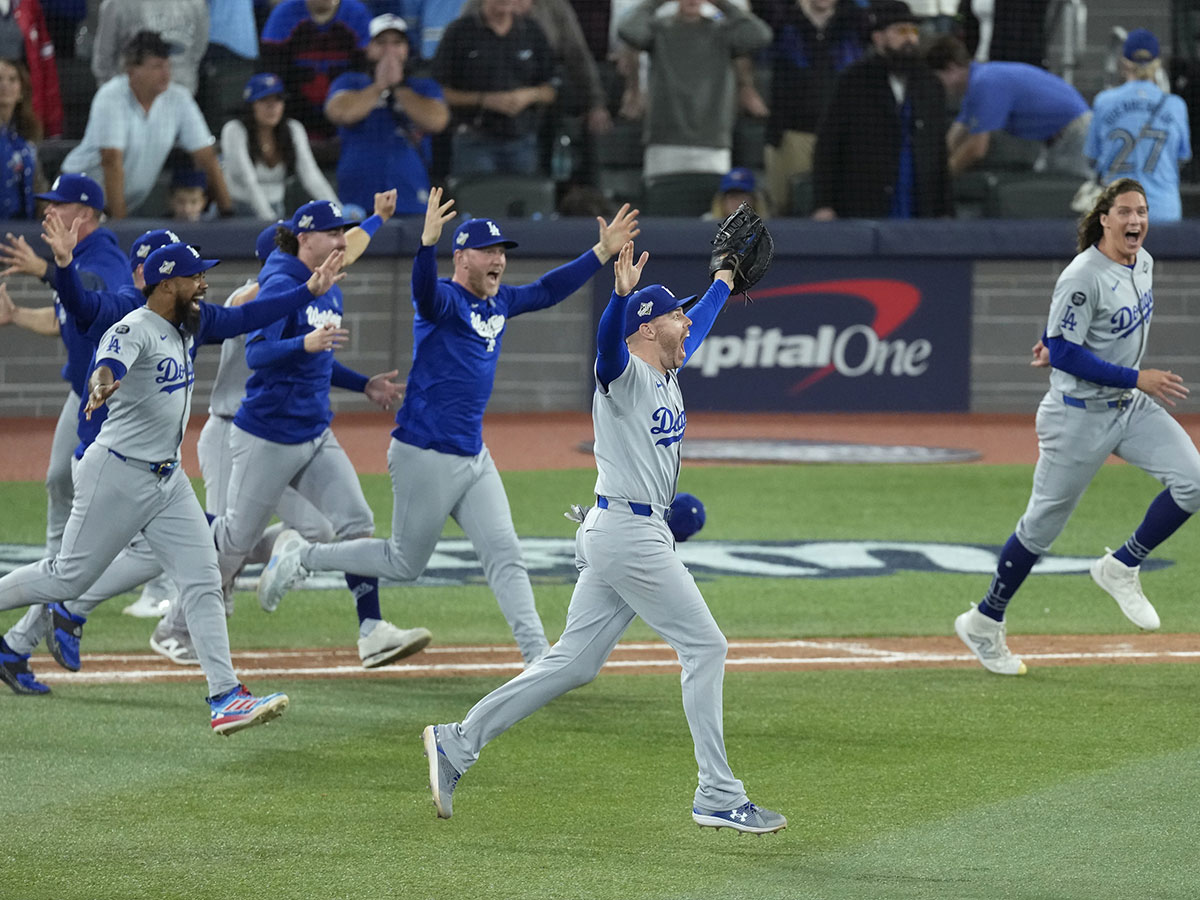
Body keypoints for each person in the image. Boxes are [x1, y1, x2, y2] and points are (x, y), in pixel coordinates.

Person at [417, 238, 786, 834]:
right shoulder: (625, 375)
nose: (687, 321)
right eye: (675, 314)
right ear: (645, 328)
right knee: (706, 648)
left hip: (624, 531)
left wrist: (720, 280)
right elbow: (607, 347)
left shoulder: (666, 370)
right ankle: (717, 793)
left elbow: (703, 317)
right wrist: (618, 299)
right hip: (627, 534)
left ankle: (458, 742)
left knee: (573, 663)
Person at [256, 189, 641, 666]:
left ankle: (538, 658)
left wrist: (601, 252)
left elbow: (547, 290)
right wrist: (424, 245)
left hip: (472, 455)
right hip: (426, 452)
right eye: (489, 251)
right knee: (404, 562)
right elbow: (422, 290)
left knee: (505, 555)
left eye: (503, 252)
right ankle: (303, 557)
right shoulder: (444, 301)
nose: (499, 259)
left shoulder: (498, 304)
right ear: (461, 258)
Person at [0, 236, 344, 734]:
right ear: (167, 284)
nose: (203, 283)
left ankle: (225, 696)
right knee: (66, 578)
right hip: (116, 473)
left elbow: (249, 318)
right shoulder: (133, 326)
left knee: (203, 574)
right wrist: (101, 384)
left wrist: (308, 290)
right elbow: (108, 364)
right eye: (194, 276)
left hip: (167, 478)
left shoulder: (193, 322)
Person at [955, 178, 1200, 676]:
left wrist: (1054, 347)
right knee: (1039, 530)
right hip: (1077, 418)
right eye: (1125, 212)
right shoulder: (1083, 273)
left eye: (1142, 211)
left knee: (1194, 480)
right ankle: (985, 619)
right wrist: (1130, 374)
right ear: (1104, 218)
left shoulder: (1144, 262)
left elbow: (1060, 338)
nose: (1136, 220)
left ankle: (1122, 565)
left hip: (1127, 407)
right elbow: (1065, 348)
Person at [209, 198, 425, 670]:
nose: (342, 240)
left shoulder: (329, 285)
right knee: (233, 543)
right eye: (332, 233)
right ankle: (183, 617)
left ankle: (372, 631)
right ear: (305, 238)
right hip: (266, 435)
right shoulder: (280, 281)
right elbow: (259, 355)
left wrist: (363, 384)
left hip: (313, 433)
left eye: (342, 232)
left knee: (356, 522)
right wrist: (302, 342)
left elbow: (320, 359)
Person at [0, 173, 129, 561]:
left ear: (86, 212)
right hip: (82, 393)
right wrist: (16, 314)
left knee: (126, 489)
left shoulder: (104, 256)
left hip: (113, 397)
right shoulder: (76, 256)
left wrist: (46, 270)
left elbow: (89, 295)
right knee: (60, 479)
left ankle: (157, 583)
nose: (49, 209)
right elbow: (64, 319)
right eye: (49, 202)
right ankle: (55, 574)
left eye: (60, 203)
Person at [59, 30, 235, 219]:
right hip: (75, 198)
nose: (166, 73)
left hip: (117, 206)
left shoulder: (178, 98)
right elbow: (111, 161)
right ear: (131, 70)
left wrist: (228, 212)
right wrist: (120, 227)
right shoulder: (111, 96)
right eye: (157, 66)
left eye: (168, 65)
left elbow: (207, 156)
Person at [812, 0, 950, 219]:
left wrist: (945, 210)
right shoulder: (853, 81)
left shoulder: (929, 83)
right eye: (901, 31)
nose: (911, 39)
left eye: (914, 31)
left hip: (918, 200)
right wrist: (824, 203)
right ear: (878, 37)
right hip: (865, 200)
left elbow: (938, 152)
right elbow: (828, 145)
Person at [616, 0, 772, 181]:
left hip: (712, 141)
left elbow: (761, 35)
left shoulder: (723, 32)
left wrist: (721, 3)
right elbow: (628, 30)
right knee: (662, 201)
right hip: (665, 141)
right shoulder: (659, 30)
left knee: (712, 205)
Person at [325, 14, 448, 216]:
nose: (389, 51)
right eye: (381, 43)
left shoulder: (423, 87)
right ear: (368, 48)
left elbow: (437, 121)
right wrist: (379, 86)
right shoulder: (350, 82)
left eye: (397, 43)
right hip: (358, 197)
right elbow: (340, 113)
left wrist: (398, 88)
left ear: (407, 49)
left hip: (410, 194)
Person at [751, 0, 866, 215]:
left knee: (841, 211)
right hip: (790, 134)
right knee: (784, 210)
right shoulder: (781, 19)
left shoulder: (856, 22)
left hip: (843, 138)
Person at [925, 34, 1092, 178]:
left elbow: (977, 148)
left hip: (1075, 135)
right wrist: (933, 166)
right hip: (1058, 138)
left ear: (951, 68)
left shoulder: (984, 83)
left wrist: (942, 179)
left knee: (1073, 199)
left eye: (937, 80)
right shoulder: (976, 84)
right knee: (1042, 195)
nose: (938, 87)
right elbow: (957, 133)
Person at [432, 0, 557, 177]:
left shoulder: (532, 31)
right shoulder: (459, 32)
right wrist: (484, 100)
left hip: (523, 141)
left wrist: (529, 95)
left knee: (525, 202)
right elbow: (438, 92)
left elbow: (551, 90)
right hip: (473, 141)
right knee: (477, 204)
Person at [1085, 28, 1191, 224]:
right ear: (1157, 63)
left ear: (1124, 63)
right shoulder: (1175, 105)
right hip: (1164, 210)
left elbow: (1091, 158)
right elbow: (1182, 158)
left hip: (1118, 213)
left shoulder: (1104, 101)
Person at [221, 71, 340, 220]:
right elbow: (248, 180)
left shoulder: (293, 129)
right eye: (264, 100)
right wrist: (269, 220)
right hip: (236, 210)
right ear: (251, 105)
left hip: (276, 208)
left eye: (277, 100)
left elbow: (311, 175)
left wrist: (337, 210)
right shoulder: (234, 130)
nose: (272, 107)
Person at [260, 0, 373, 138]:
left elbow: (366, 71)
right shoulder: (284, 13)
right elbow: (271, 72)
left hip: (345, 112)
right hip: (295, 112)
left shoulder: (356, 13)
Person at [90, 0, 210, 95]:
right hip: (130, 99)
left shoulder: (196, 3)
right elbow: (103, 61)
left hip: (181, 93)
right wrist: (115, 95)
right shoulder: (116, 4)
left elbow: (198, 49)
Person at [0, 57, 41, 219]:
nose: (5, 85)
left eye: (12, 79)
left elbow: (38, 184)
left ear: (21, 91)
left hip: (25, 229)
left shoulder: (27, 135)